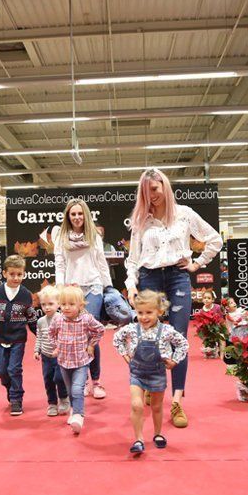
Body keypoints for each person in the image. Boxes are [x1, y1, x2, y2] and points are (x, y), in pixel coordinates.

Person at [125, 168, 221, 428]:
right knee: (149, 338)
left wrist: (197, 264)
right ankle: (149, 384)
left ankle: (177, 399)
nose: (151, 195)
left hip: (178, 277)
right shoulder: (141, 220)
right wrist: (131, 286)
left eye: (155, 189)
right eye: (146, 191)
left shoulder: (185, 214)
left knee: (178, 338)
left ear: (164, 186)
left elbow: (214, 240)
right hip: (149, 277)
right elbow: (133, 259)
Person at [53, 198, 117, 400]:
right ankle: (80, 379)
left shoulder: (94, 235)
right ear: (68, 216)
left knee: (91, 335)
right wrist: (60, 289)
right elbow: (60, 264)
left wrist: (108, 287)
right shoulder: (61, 237)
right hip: (72, 290)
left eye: (80, 213)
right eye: (73, 214)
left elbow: (100, 261)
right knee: (73, 335)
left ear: (85, 215)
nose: (77, 217)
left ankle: (95, 381)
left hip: (94, 287)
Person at [113, 290, 188, 454]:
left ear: (159, 312)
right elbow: (117, 338)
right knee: (136, 405)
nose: (144, 317)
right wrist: (124, 354)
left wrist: (175, 360)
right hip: (137, 373)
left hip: (157, 373)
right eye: (140, 312)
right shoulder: (132, 329)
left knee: (156, 407)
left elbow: (183, 344)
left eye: (149, 312)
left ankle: (157, 433)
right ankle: (138, 439)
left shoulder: (167, 330)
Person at [0, 255, 38, 417]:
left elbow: (32, 318)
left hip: (18, 339)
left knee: (14, 369)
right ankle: (10, 388)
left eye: (19, 274)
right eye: (12, 274)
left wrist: (41, 336)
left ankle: (16, 399)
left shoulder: (26, 294)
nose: (16, 278)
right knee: (1, 371)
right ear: (4, 273)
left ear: (24, 274)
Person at [48, 286, 105, 434]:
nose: (67, 308)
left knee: (77, 388)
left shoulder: (86, 319)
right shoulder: (58, 319)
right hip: (63, 361)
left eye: (71, 304)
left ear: (81, 305)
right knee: (70, 390)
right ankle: (74, 410)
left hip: (81, 361)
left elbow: (100, 330)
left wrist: (91, 344)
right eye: (64, 304)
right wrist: (56, 347)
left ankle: (79, 415)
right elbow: (51, 333)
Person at [34, 286, 69, 417]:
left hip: (60, 356)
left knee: (59, 378)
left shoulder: (62, 319)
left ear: (58, 304)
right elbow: (39, 337)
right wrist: (37, 350)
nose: (47, 307)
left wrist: (59, 348)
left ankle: (64, 398)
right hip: (46, 356)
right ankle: (52, 403)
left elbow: (65, 337)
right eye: (43, 304)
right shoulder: (40, 321)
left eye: (50, 304)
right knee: (48, 379)